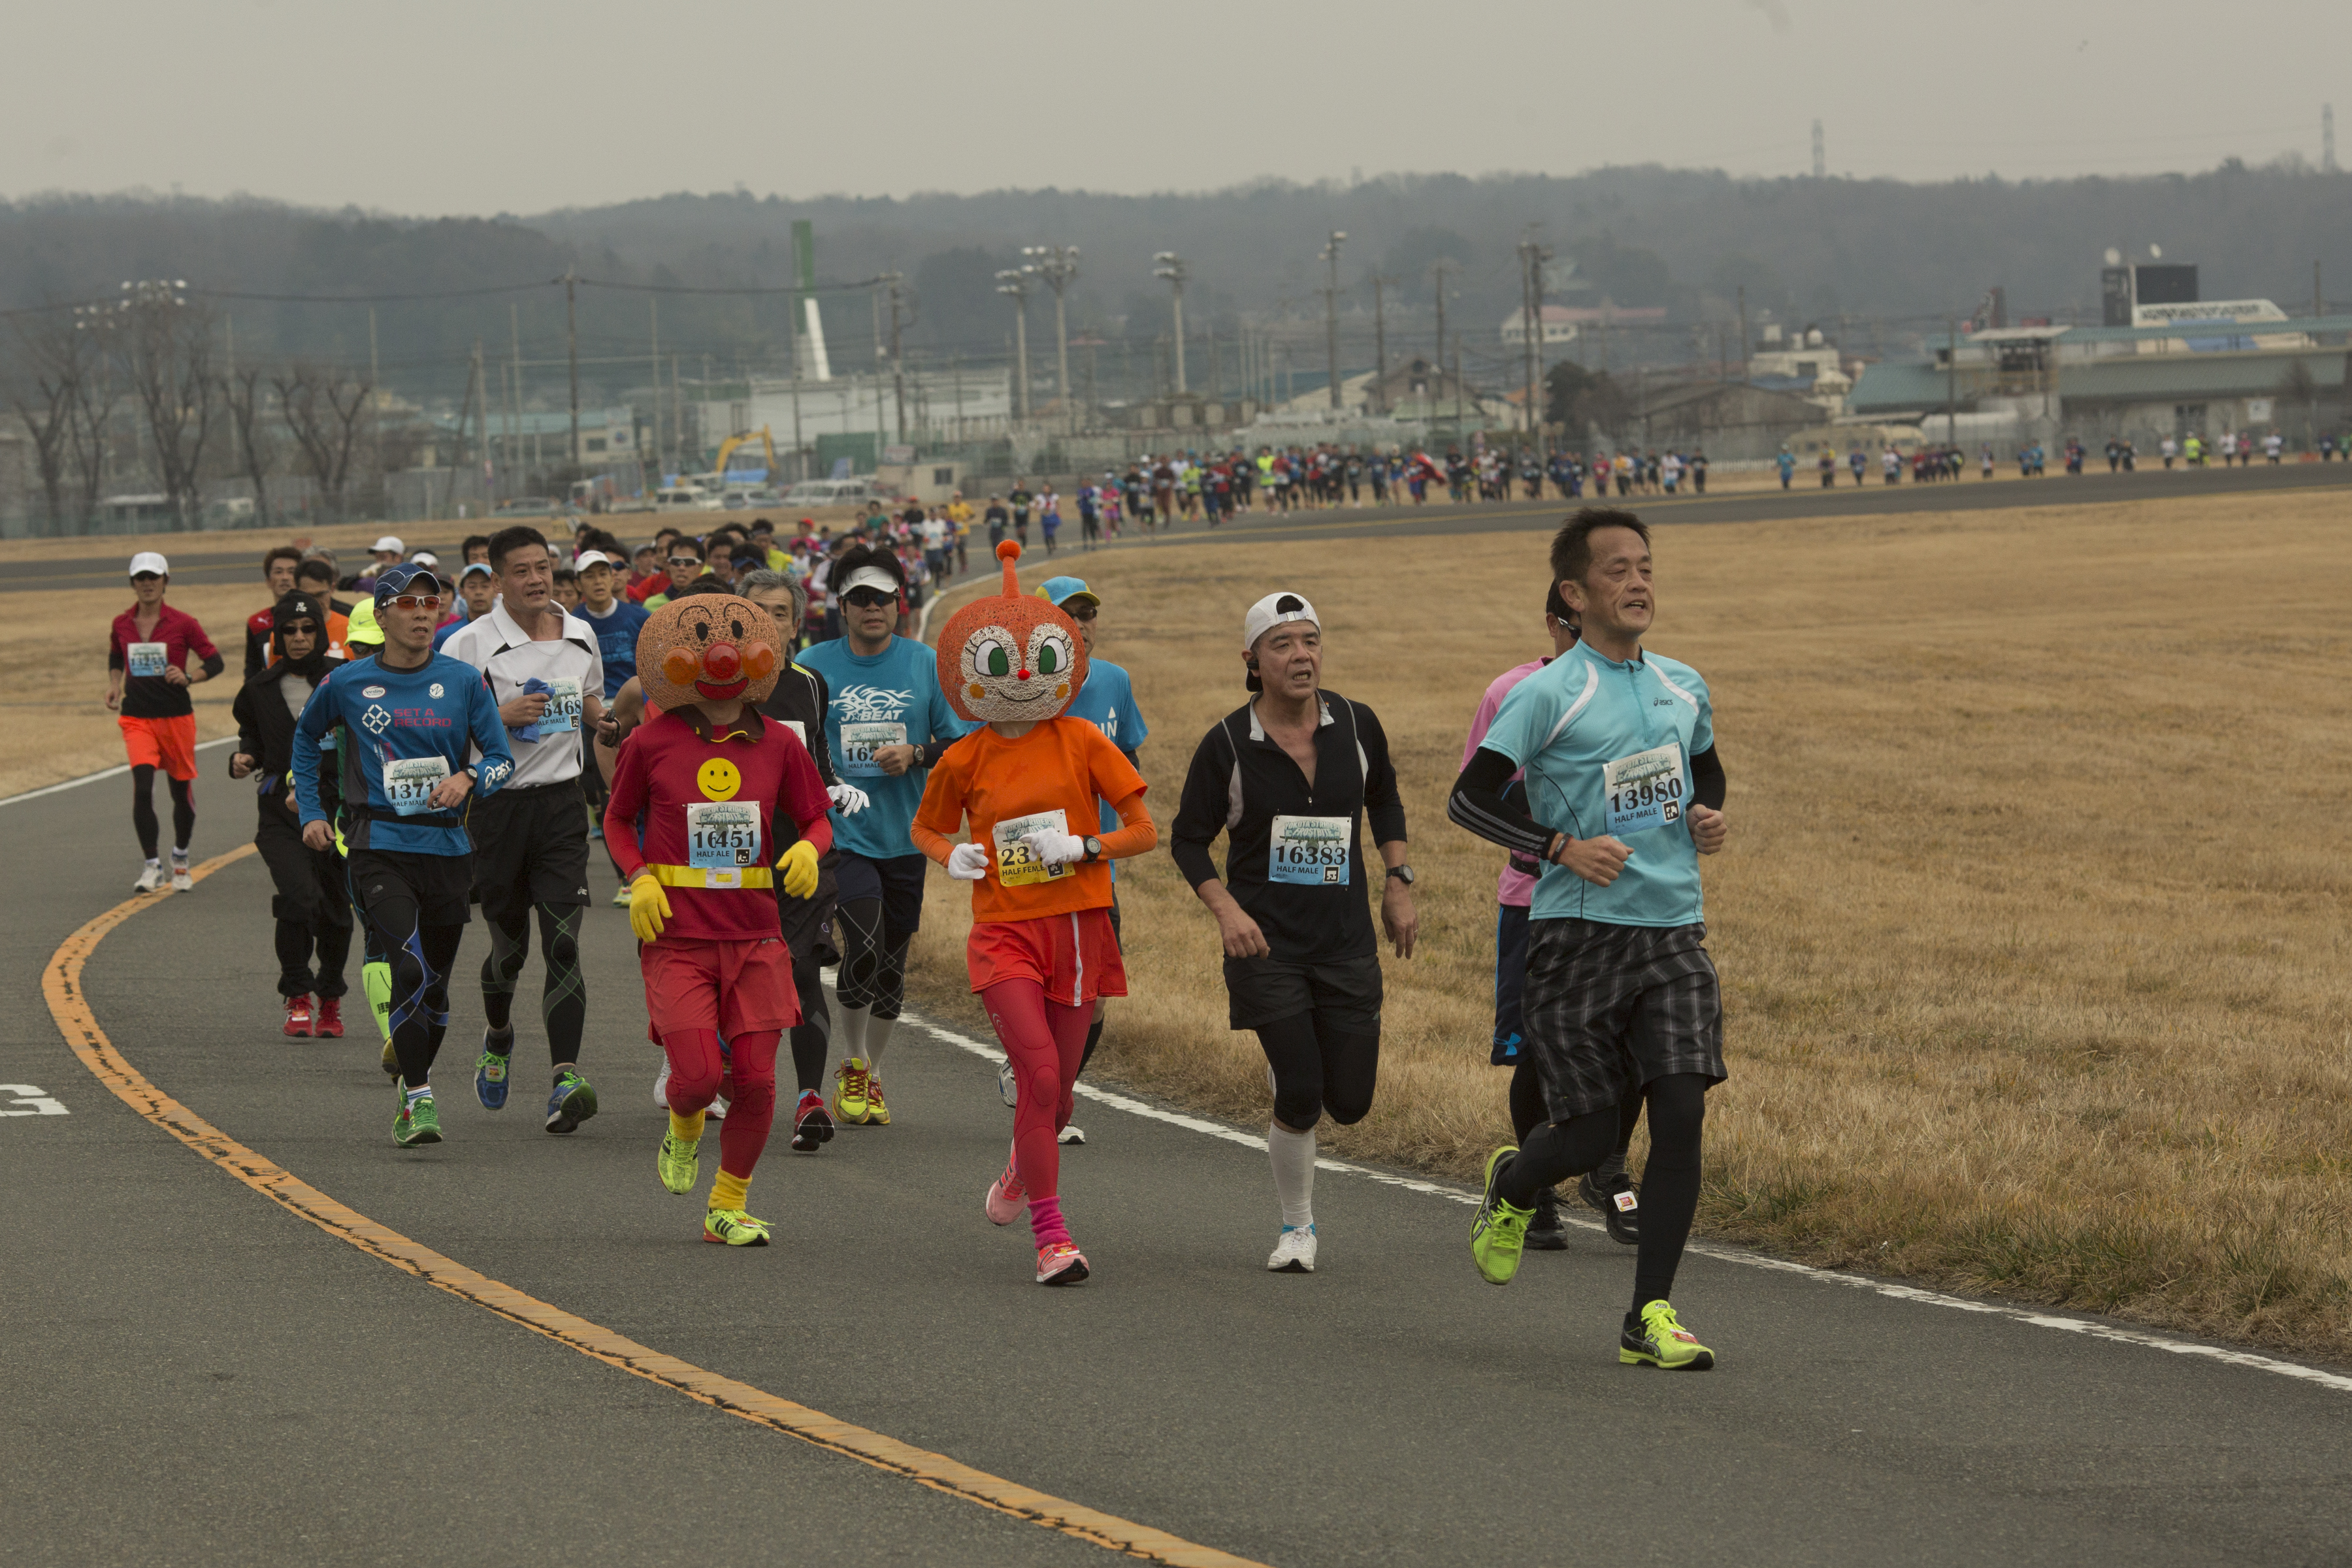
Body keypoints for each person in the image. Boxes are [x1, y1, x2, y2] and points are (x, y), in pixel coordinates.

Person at [1447, 507, 1729, 1371]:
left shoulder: (1683, 683)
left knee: (1681, 1112)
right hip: (1575, 933)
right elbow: (1469, 799)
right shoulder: (1547, 694)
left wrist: (1709, 812)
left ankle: (1648, 1315)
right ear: (1575, 594)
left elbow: (1705, 763)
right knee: (1586, 1134)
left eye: (1646, 567)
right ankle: (1517, 1186)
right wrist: (1559, 846)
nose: (1638, 582)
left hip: (1674, 930)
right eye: (1617, 571)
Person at [911, 542, 1156, 1285]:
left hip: (1080, 927)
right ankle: (1053, 1238)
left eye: (1038, 660)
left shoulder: (1082, 740)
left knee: (1060, 1091)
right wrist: (949, 856)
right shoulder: (963, 757)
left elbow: (1145, 830)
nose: (1020, 675)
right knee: (1039, 1073)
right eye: (1000, 663)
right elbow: (925, 827)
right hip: (1004, 932)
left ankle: (1022, 1167)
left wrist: (1085, 844)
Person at [1169, 592, 1416, 1275]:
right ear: (1251, 660)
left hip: (1345, 942)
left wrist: (1400, 880)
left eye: (1310, 640)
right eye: (1283, 644)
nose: (1301, 655)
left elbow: (1385, 796)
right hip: (1265, 945)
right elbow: (1188, 841)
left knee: (1352, 1102)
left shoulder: (1358, 725)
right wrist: (1226, 910)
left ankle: (1300, 1084)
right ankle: (1297, 1226)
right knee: (1303, 1090)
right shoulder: (1225, 744)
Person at [604, 592, 834, 1246]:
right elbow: (617, 820)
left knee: (758, 1082)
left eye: (734, 642)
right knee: (701, 1076)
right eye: (704, 644)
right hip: (677, 937)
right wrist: (639, 875)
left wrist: (807, 850)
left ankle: (726, 1206)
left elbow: (817, 816)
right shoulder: (651, 742)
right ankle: (684, 1124)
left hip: (757, 936)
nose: (723, 656)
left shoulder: (780, 746)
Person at [293, 564, 515, 1148]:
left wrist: (469, 777)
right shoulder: (345, 683)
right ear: (384, 612)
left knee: (436, 987)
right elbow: (305, 737)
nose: (423, 612)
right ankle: (419, 1100)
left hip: (446, 847)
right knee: (408, 967)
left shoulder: (465, 681)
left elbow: (501, 758)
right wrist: (312, 812)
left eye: (432, 602)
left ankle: (409, 1083)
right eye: (410, 603)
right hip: (378, 845)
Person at [795, 542, 970, 1126]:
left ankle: (872, 1072)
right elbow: (792, 744)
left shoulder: (924, 663)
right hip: (842, 833)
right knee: (863, 949)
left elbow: (962, 744)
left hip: (907, 835)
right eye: (861, 598)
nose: (874, 608)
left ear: (900, 602)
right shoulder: (812, 664)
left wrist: (917, 753)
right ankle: (851, 1059)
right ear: (841, 607)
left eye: (885, 598)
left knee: (892, 967)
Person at [442, 526, 607, 1133]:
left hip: (562, 808)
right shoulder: (468, 644)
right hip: (496, 808)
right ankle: (498, 1035)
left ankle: (565, 1077)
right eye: (521, 571)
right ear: (495, 580)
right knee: (508, 953)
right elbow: (443, 733)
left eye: (543, 567)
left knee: (563, 942)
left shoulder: (579, 631)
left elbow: (591, 700)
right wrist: (498, 718)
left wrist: (607, 724)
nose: (536, 580)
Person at [1011, 576, 1147, 1143]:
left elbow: (1130, 758)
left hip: (1093, 869)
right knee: (1033, 989)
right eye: (1067, 616)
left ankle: (1056, 1093)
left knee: (1089, 1002)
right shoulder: (1015, 688)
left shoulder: (1114, 680)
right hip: (1028, 870)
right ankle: (1040, 1095)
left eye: (1087, 615)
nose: (1082, 625)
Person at [742, 568, 873, 1152]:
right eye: (756, 611)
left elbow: (816, 760)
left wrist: (833, 787)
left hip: (801, 855)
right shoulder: (714, 681)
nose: (767, 622)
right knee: (735, 977)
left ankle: (808, 1100)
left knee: (800, 971)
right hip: (731, 858)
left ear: (796, 624)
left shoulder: (810, 684)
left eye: (778, 612)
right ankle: (704, 1073)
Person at [230, 591, 353, 1038]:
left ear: (320, 632)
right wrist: (242, 759)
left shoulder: (346, 679)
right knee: (300, 897)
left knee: (337, 912)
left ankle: (331, 999)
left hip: (340, 808)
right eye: (289, 631)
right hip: (281, 811)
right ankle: (298, 993)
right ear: (277, 636)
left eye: (307, 629)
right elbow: (251, 739)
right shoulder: (259, 689)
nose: (299, 638)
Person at [108, 552, 224, 892]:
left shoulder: (183, 623)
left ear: (165, 582)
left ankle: (181, 857)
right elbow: (116, 654)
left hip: (176, 717)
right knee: (143, 788)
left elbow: (214, 660)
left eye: (153, 578)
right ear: (132, 583)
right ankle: (151, 865)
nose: (147, 584)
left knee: (179, 791)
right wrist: (115, 684)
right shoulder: (121, 623)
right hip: (136, 718)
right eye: (140, 578)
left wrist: (190, 677)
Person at [245, 546, 306, 678]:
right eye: (278, 572)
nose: (285, 577)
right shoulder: (257, 622)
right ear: (268, 581)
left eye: (291, 572)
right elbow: (252, 669)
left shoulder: (315, 618)